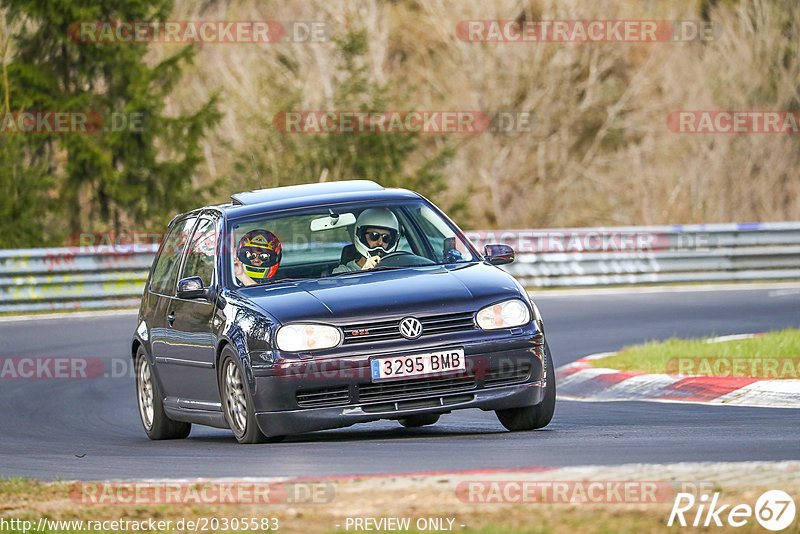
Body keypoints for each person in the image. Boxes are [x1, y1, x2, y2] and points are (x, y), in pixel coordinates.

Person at [333, 208, 399, 274]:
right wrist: (364, 273)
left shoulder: (397, 267)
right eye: (374, 235)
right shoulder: (342, 272)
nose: (380, 242)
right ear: (362, 236)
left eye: (386, 237)